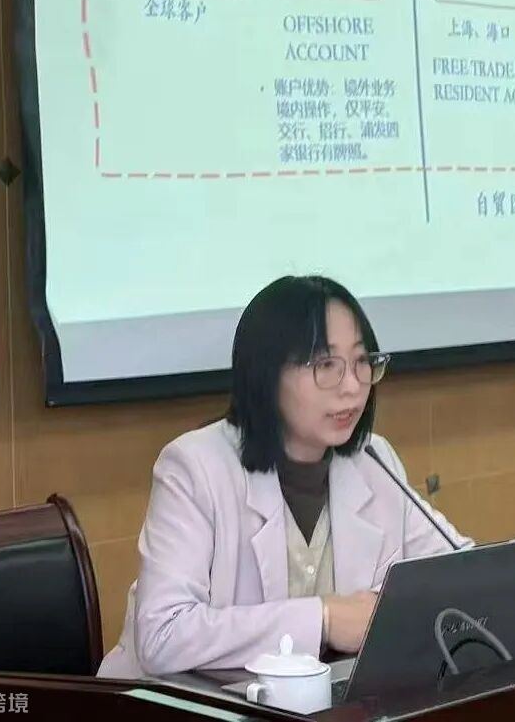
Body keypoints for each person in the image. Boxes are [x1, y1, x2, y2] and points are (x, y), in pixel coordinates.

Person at [98, 275, 471, 678]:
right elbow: (163, 635)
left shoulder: (373, 459)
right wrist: (324, 618)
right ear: (267, 374)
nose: (352, 387)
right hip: (177, 702)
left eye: (362, 362)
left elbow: (459, 569)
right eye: (326, 365)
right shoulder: (194, 468)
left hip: (315, 702)